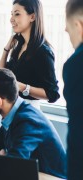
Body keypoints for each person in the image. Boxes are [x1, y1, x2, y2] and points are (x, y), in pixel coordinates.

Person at [0, 0, 60, 109]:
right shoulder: (18, 47)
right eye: (11, 14)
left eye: (17, 14)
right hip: (10, 109)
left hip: (28, 111)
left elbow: (52, 94)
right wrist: (6, 50)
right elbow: (0, 76)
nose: (11, 19)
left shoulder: (42, 51)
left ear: (32, 17)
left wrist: (22, 87)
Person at [63, 0, 83, 179]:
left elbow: (79, 132)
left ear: (79, 25)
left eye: (68, 28)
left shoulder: (75, 65)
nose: (66, 31)